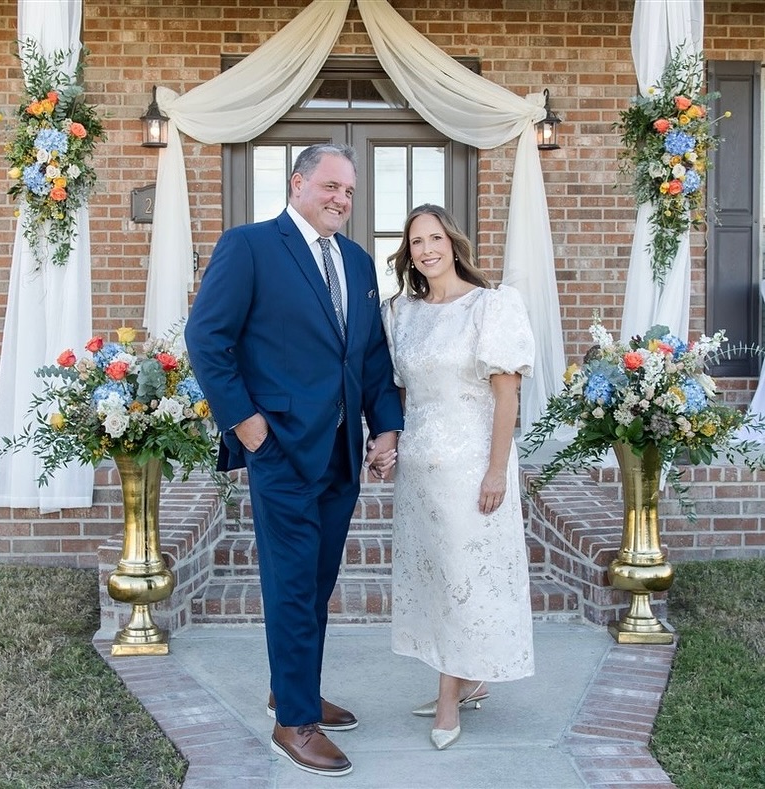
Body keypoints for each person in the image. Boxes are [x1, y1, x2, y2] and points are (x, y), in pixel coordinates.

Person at [185, 143, 403, 778]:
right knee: (290, 583)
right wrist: (249, 428)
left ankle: (294, 688)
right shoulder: (249, 246)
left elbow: (367, 358)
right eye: (331, 186)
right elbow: (208, 337)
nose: (341, 199)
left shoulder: (357, 262)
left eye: (350, 192)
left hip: (340, 455)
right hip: (278, 450)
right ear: (298, 183)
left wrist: (385, 427)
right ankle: (294, 723)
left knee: (319, 581)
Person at [376, 203, 535, 751]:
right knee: (437, 580)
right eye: (416, 242)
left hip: (473, 470)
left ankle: (449, 699)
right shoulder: (401, 313)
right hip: (421, 474)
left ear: (454, 242)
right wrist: (387, 445)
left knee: (465, 579)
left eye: (434, 238)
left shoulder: (492, 306)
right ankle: (468, 677)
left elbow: (507, 394)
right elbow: (400, 392)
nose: (426, 250)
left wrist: (497, 471)